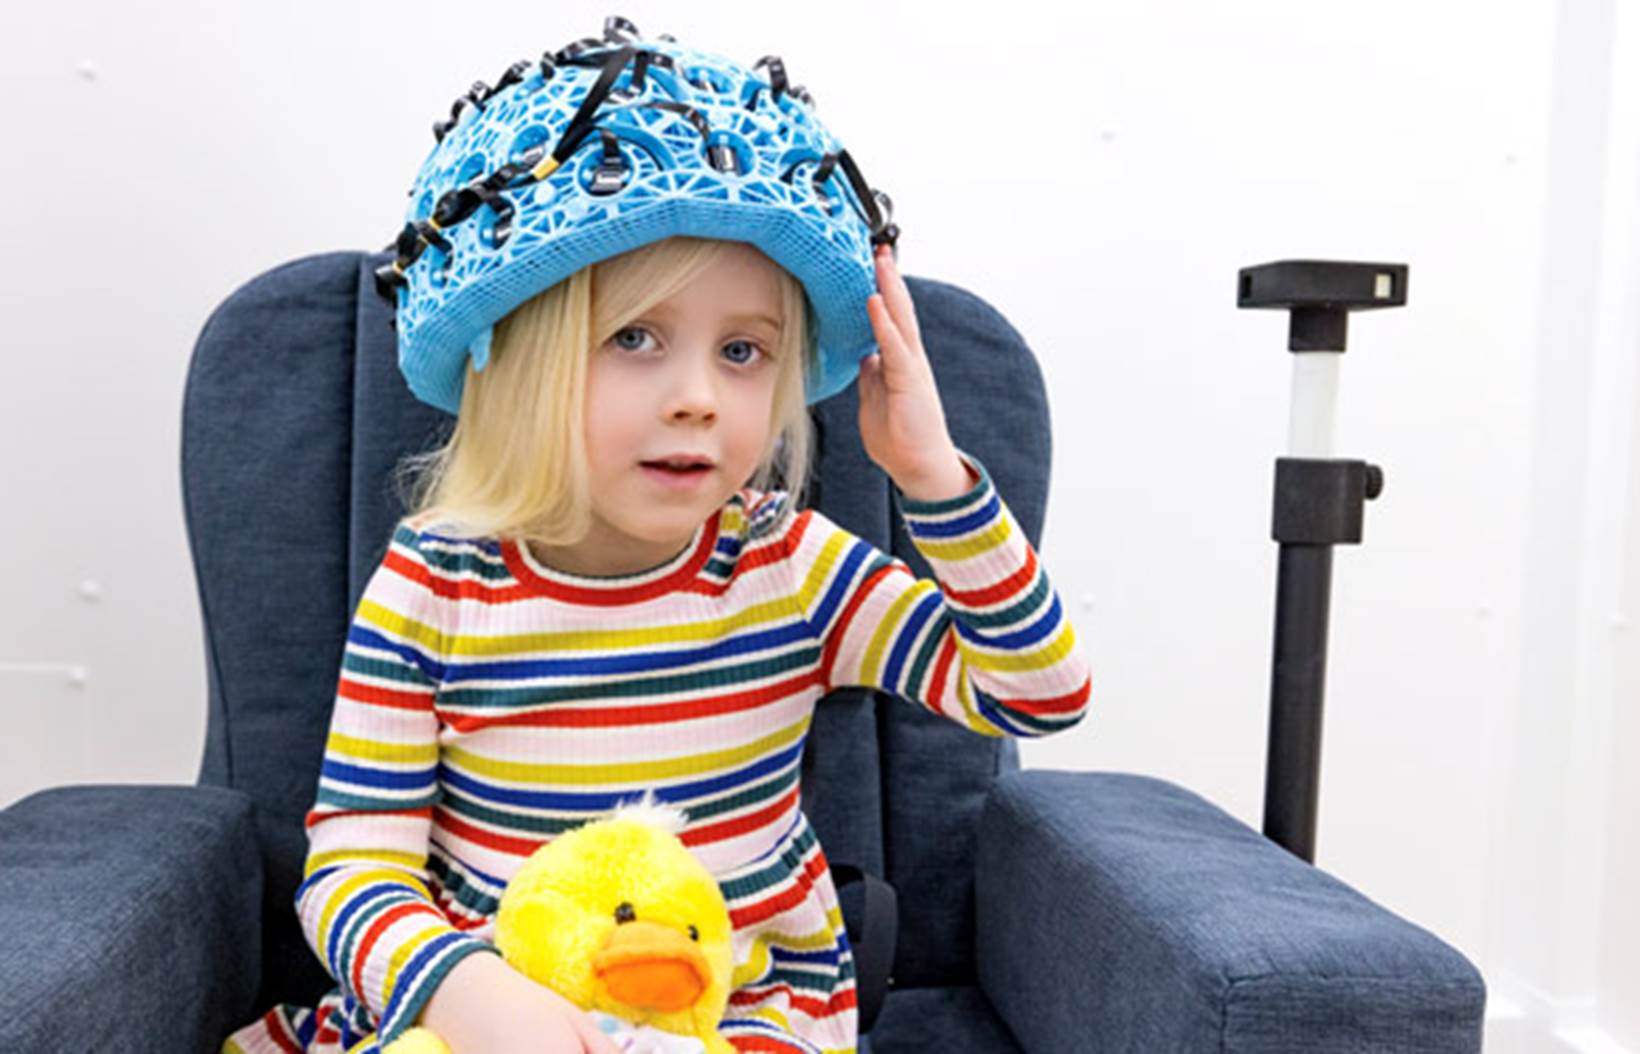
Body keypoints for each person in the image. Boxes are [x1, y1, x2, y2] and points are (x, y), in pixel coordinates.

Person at [222, 18, 1091, 1054]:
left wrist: (933, 478)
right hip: (493, 1011)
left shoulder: (787, 563)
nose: (697, 399)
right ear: (520, 361)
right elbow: (355, 868)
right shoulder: (434, 582)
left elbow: (1038, 691)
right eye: (634, 337)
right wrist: (465, 993)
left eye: (742, 350)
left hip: (736, 1017)